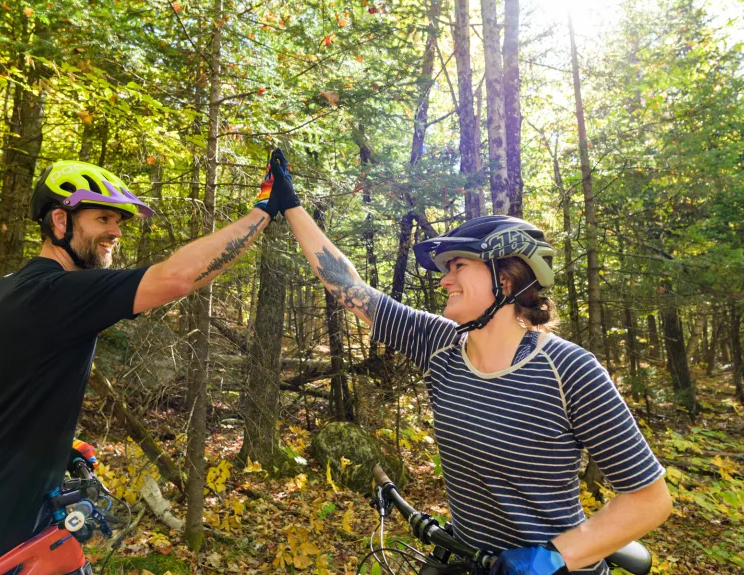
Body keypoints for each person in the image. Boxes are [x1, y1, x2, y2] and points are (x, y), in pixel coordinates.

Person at [263, 152, 672, 575]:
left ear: (507, 279)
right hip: (467, 560)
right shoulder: (440, 345)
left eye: (458, 266)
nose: (444, 279)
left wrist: (554, 556)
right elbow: (348, 287)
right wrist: (291, 206)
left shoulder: (569, 370)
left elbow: (649, 499)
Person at [0, 155, 296, 574]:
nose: (116, 232)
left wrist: (51, 447)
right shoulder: (54, 294)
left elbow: (0, 388)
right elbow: (176, 278)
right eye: (103, 218)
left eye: (119, 221)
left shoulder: (10, 288)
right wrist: (264, 210)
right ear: (59, 222)